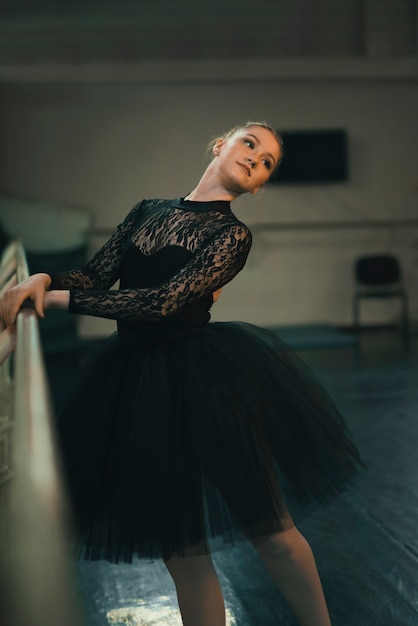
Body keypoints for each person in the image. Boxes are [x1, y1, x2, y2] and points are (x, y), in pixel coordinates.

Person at [0, 121, 365, 626]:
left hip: (208, 380)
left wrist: (56, 300)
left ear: (258, 186)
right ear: (222, 145)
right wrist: (44, 277)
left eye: (267, 164)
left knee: (272, 532)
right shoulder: (147, 209)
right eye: (250, 144)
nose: (256, 160)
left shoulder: (233, 235)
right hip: (135, 384)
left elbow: (161, 303)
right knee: (183, 553)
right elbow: (96, 274)